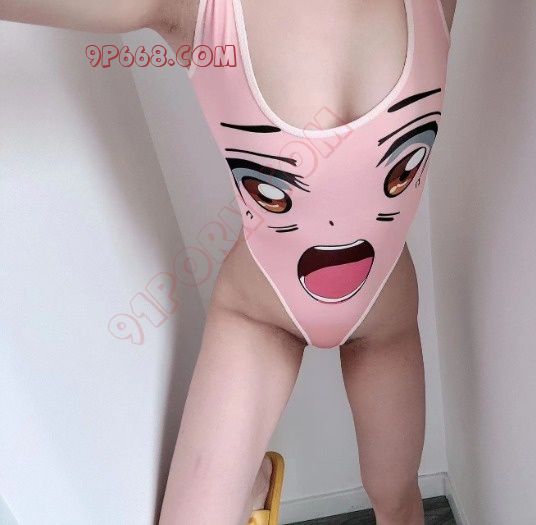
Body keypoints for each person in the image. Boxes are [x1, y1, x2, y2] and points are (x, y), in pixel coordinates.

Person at [1, 0, 456, 523]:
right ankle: (252, 479)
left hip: (384, 318)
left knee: (395, 498)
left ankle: (256, 477)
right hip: (260, 314)